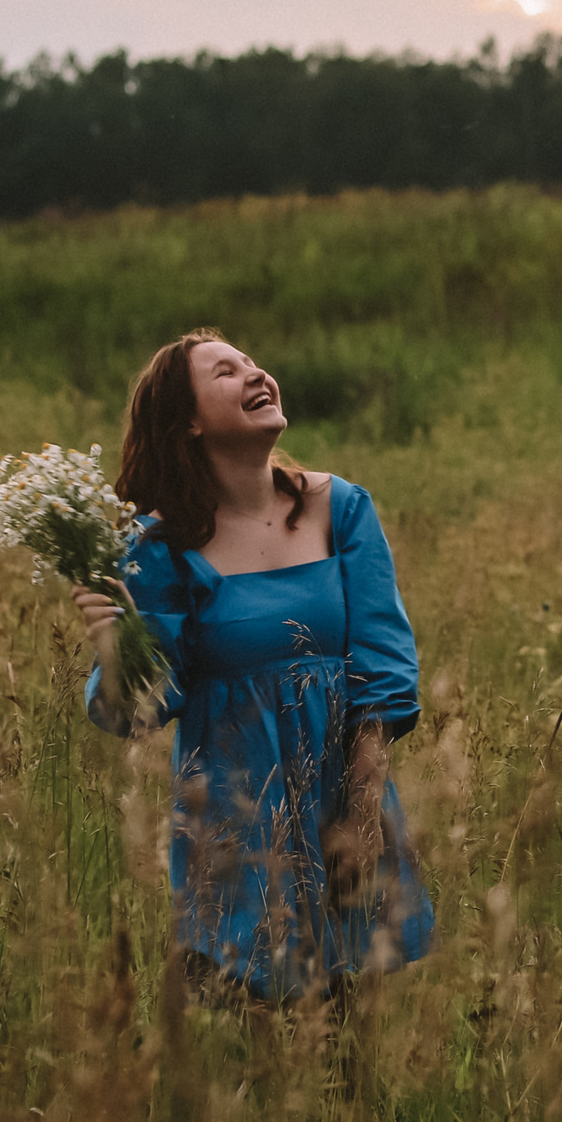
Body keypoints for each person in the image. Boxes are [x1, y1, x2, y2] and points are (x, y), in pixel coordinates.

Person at [74, 329, 434, 1002]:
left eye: (251, 362)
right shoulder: (160, 544)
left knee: (347, 1041)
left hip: (343, 801)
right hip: (236, 827)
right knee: (253, 1032)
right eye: (225, 373)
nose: (253, 373)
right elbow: (143, 709)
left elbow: (383, 667)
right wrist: (113, 643)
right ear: (187, 420)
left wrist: (359, 818)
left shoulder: (341, 507)